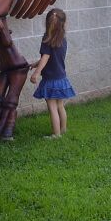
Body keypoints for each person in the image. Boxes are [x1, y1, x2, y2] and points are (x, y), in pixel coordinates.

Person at [30, 8, 76, 138]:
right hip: (61, 78)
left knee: (52, 107)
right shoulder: (62, 39)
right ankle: (63, 129)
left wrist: (36, 73)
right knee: (60, 105)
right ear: (63, 23)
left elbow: (46, 57)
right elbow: (50, 56)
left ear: (47, 23)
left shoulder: (47, 39)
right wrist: (35, 64)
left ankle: (56, 135)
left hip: (50, 80)